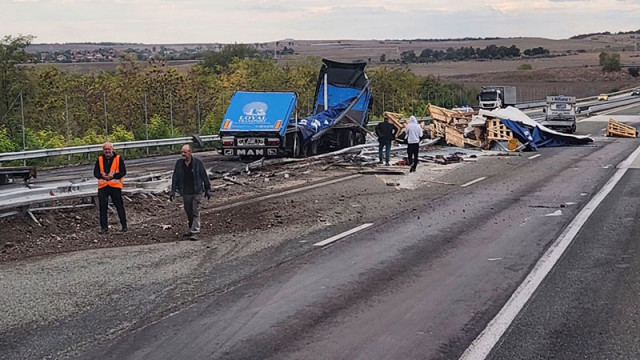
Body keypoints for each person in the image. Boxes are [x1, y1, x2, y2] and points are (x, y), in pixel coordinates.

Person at [169, 144, 211, 241]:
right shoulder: (179, 163)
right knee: (188, 211)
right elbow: (175, 177)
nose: (183, 154)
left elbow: (204, 176)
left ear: (190, 152)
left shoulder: (198, 163)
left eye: (185, 152)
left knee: (195, 210)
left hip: (197, 191)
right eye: (182, 152)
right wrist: (173, 190)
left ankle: (195, 231)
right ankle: (191, 228)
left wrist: (207, 189)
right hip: (185, 191)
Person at [93, 142, 127, 234]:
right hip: (103, 186)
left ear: (112, 149)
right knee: (103, 207)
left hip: (115, 186)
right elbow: (95, 173)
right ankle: (104, 228)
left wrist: (113, 176)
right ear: (103, 150)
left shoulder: (118, 159)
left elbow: (123, 172)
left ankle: (124, 226)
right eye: (105, 149)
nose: (107, 151)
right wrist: (102, 176)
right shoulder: (99, 159)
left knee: (119, 206)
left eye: (109, 149)